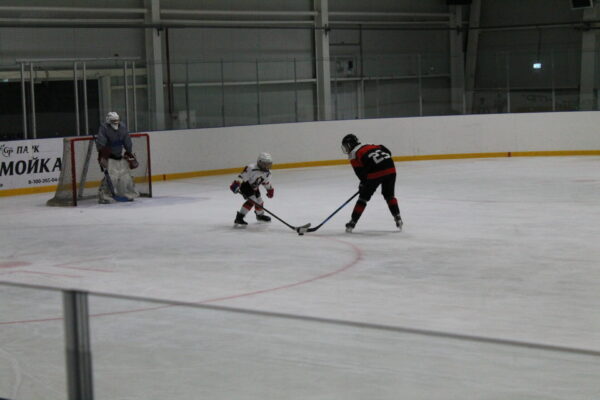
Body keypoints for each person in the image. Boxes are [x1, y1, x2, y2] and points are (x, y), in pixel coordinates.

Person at [341, 133, 402, 232]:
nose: (346, 149)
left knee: (363, 198)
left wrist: (363, 185)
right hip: (390, 168)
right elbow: (386, 150)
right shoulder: (369, 145)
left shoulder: (354, 154)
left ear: (350, 145)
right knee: (389, 195)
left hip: (376, 172)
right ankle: (398, 217)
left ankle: (352, 222)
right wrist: (382, 162)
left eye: (346, 146)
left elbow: (362, 175)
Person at [96, 111, 139, 204]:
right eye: (113, 121)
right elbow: (100, 144)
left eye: (117, 120)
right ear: (108, 121)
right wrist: (103, 156)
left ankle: (124, 193)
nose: (116, 122)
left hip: (119, 156)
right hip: (108, 156)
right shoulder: (104, 128)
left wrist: (129, 151)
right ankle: (104, 195)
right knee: (112, 177)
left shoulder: (122, 127)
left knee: (125, 177)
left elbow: (127, 140)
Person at [229, 152, 275, 227]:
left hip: (255, 187)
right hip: (245, 186)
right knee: (252, 200)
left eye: (268, 164)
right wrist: (236, 184)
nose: (266, 166)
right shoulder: (251, 168)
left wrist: (270, 190)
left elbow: (266, 182)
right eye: (264, 164)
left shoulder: (268, 173)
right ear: (259, 162)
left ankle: (259, 215)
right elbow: (242, 177)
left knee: (259, 201)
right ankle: (239, 217)